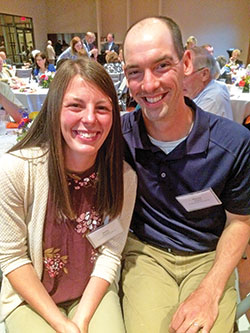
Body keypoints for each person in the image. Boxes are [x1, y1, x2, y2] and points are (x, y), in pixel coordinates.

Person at [121, 16, 250, 333]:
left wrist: (211, 289)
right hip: (146, 256)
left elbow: (239, 222)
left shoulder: (232, 143)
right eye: (135, 72)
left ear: (186, 61)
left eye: (162, 65)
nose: (149, 85)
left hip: (208, 257)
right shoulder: (119, 137)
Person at [0, 58, 137, 333]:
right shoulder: (16, 170)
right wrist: (61, 324)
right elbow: (13, 258)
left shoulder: (123, 177)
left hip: (92, 291)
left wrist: (82, 320)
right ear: (55, 109)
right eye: (75, 105)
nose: (89, 119)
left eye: (102, 108)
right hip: (30, 297)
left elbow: (110, 253)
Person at [183, 46, 233, 119]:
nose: (179, 82)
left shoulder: (212, 99)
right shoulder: (199, 92)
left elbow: (193, 128)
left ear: (204, 74)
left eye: (184, 76)